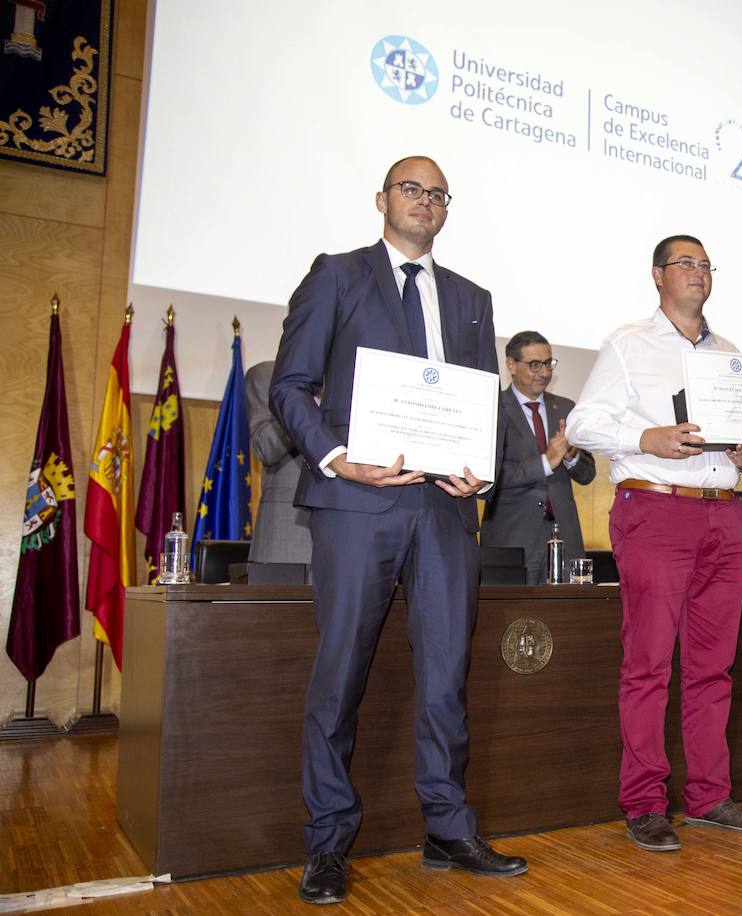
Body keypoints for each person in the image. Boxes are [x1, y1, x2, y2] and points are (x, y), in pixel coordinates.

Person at [270, 155, 527, 905]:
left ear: (447, 209)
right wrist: (337, 459)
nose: (424, 201)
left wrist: (482, 471)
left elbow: (486, 404)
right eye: (411, 189)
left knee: (447, 673)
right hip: (358, 503)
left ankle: (447, 827)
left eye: (437, 194)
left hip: (446, 509)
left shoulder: (472, 299)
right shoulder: (338, 274)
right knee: (340, 672)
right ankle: (327, 841)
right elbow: (291, 386)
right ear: (382, 199)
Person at [566, 234, 742, 852]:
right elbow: (581, 424)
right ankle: (645, 803)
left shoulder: (730, 354)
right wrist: (646, 438)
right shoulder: (628, 343)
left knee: (714, 668)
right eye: (685, 263)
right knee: (649, 664)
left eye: (705, 264)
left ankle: (710, 797)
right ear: (657, 276)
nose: (698, 272)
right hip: (656, 509)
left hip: (725, 513)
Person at [480, 331, 596, 583]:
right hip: (511, 539)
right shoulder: (493, 407)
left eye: (548, 363)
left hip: (565, 540)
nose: (544, 372)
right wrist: (545, 462)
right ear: (511, 364)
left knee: (568, 608)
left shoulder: (566, 408)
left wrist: (571, 456)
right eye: (535, 364)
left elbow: (588, 475)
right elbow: (488, 476)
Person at [245, 360, 312, 566]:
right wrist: (307, 404)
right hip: (290, 535)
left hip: (350, 536)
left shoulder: (355, 376)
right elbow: (265, 447)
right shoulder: (268, 374)